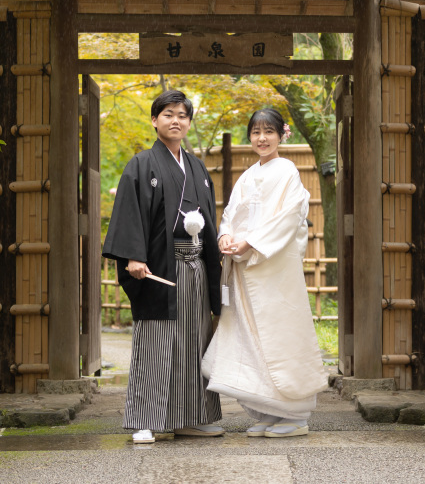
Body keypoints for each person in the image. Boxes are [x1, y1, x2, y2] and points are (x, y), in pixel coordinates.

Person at [102, 90, 224, 444]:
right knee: (156, 339)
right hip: (159, 268)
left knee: (194, 341)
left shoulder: (197, 167)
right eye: (168, 114)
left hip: (195, 268)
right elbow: (129, 214)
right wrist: (133, 257)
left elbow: (210, 221)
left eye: (182, 115)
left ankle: (190, 417)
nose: (176, 120)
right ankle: (144, 418)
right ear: (155, 120)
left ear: (188, 122)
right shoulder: (141, 165)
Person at [202, 108, 328, 438]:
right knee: (247, 335)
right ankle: (267, 412)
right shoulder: (247, 175)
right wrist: (225, 236)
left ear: (282, 134)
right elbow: (229, 214)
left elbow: (287, 218)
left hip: (273, 270)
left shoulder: (287, 171)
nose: (261, 138)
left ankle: (295, 415)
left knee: (278, 336)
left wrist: (251, 242)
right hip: (245, 270)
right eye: (256, 132)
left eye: (268, 131)